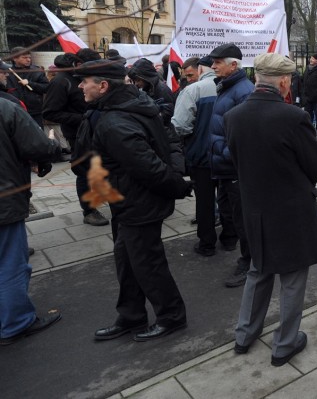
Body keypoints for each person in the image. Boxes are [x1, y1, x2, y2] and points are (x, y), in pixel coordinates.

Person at [76, 60, 193, 342]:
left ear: (103, 86)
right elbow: (169, 141)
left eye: (85, 81)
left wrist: (177, 183)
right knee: (127, 262)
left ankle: (172, 316)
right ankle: (131, 316)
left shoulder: (114, 121)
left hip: (139, 204)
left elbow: (151, 165)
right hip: (128, 203)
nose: (80, 86)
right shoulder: (131, 105)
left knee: (147, 264)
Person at [224, 53, 317, 366]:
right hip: (291, 208)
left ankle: (245, 334)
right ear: (283, 81)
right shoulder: (292, 116)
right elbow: (314, 165)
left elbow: (236, 161)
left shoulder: (234, 116)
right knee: (293, 276)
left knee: (259, 269)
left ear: (257, 79)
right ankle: (284, 343)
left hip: (255, 206)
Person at [0, 95, 61, 345]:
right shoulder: (5, 108)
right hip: (4, 200)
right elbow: (38, 146)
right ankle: (16, 323)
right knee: (10, 263)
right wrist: (51, 143)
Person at [44, 49, 110, 226]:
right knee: (84, 172)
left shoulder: (89, 78)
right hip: (78, 135)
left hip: (100, 130)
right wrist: (84, 119)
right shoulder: (61, 81)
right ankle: (89, 211)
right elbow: (50, 112)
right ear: (79, 65)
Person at [209, 43, 255, 288]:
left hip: (234, 168)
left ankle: (250, 263)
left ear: (233, 65)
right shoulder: (228, 87)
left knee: (244, 219)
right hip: (226, 167)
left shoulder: (243, 91)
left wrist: (222, 152)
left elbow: (245, 138)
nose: (213, 66)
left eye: (218, 62)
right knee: (235, 217)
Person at [171, 56, 218, 256]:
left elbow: (180, 125)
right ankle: (230, 238)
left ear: (200, 70)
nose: (188, 78)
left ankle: (207, 243)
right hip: (226, 153)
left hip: (201, 153)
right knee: (227, 197)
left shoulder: (192, 90)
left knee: (205, 201)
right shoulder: (231, 87)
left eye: (190, 74)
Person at [8, 46, 50, 127]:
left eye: (29, 57)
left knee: (38, 134)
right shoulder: (7, 72)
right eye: (24, 57)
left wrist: (30, 83)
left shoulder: (37, 71)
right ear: (14, 58)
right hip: (15, 110)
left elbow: (46, 88)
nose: (28, 60)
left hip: (35, 111)